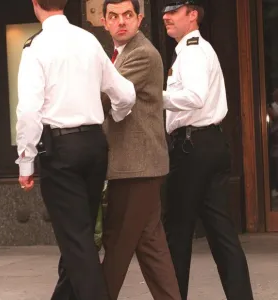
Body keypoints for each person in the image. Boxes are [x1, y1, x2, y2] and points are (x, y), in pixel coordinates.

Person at [15, 0, 136, 299]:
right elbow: (125, 93)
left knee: (77, 241)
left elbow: (28, 111)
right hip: (95, 146)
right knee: (79, 235)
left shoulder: (36, 47)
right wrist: (118, 114)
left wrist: (25, 162)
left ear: (35, 4)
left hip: (61, 151)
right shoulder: (89, 40)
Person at [162, 1, 254, 300]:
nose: (165, 16)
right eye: (164, 11)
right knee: (221, 232)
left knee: (177, 232)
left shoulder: (192, 51)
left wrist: (154, 96)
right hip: (207, 143)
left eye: (174, 11)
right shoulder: (195, 50)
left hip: (193, 148)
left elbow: (195, 97)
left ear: (192, 15)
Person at [100, 1, 181, 299]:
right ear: (104, 21)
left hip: (136, 168)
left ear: (140, 19)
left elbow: (105, 99)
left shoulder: (141, 54)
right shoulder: (120, 54)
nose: (121, 22)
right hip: (140, 167)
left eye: (128, 15)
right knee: (150, 245)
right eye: (114, 16)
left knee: (118, 245)